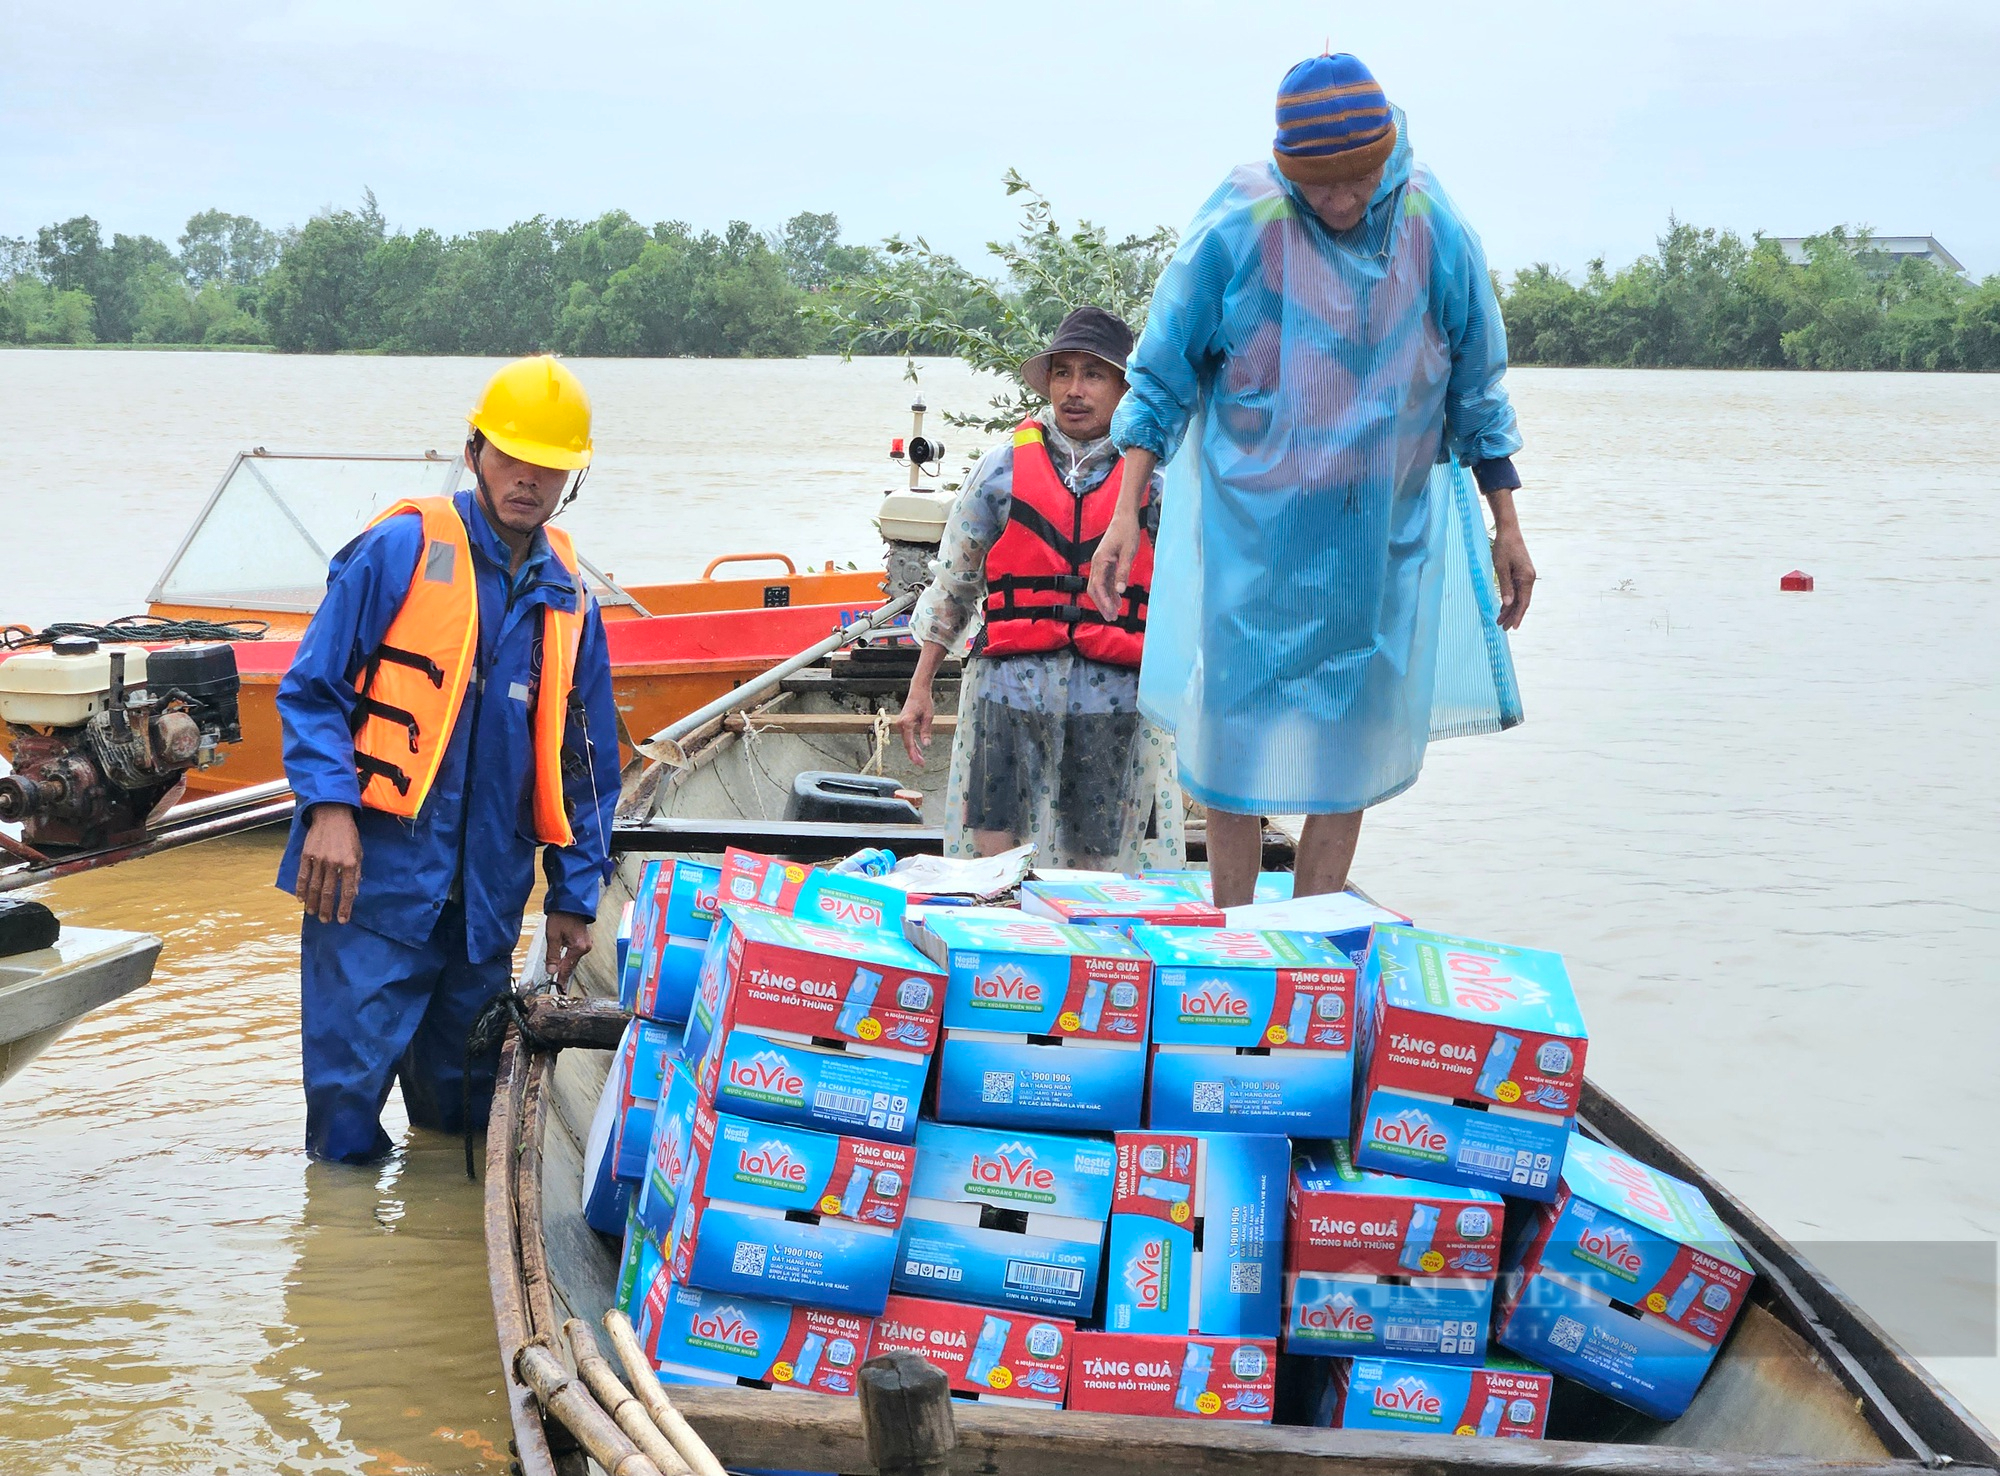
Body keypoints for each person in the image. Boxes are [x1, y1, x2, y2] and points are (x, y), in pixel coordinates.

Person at [1089, 52, 1536, 907]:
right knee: (1231, 731)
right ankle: (1230, 926)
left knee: (1353, 734)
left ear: (1387, 155)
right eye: (1318, 186)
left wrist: (1505, 523)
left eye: (1356, 181)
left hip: (1376, 534)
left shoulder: (1432, 226)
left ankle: (1315, 927)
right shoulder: (1242, 221)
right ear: (1287, 169)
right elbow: (1161, 375)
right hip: (1250, 532)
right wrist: (1122, 513)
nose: (1338, 201)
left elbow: (1478, 386)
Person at [276, 355, 622, 1164]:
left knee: (463, 1118)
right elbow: (310, 690)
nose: (528, 480)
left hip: (485, 906)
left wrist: (573, 895)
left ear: (572, 479)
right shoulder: (399, 550)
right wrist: (330, 809)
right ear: (474, 453)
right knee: (343, 1125)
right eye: (511, 457)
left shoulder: (572, 600)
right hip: (369, 887)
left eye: (550, 467)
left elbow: (587, 769)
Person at [896, 307, 1182, 872]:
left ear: (1125, 387)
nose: (1075, 390)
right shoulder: (1000, 471)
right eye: (1063, 373)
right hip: (1008, 691)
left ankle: (1085, 955)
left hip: (1114, 698)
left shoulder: (1154, 482)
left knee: (1093, 859)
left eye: (1094, 374)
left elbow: (1188, 603)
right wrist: (920, 687)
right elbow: (953, 585)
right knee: (993, 843)